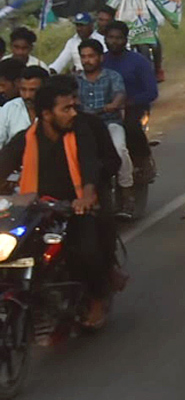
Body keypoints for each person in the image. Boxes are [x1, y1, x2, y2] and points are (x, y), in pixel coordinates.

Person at [0, 81, 111, 326]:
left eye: (73, 107)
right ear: (47, 114)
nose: (73, 112)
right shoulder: (25, 139)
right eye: (66, 109)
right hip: (36, 211)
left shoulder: (80, 132)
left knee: (87, 252)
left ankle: (97, 300)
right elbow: (3, 165)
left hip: (74, 208)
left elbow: (90, 164)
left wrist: (86, 197)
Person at [76, 40, 135, 214]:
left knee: (119, 150)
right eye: (83, 56)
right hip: (85, 127)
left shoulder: (112, 76)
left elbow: (120, 94)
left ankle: (127, 193)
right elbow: (71, 98)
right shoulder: (75, 80)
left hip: (110, 123)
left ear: (100, 58)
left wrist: (114, 104)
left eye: (91, 56)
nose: (87, 60)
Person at [102, 21, 157, 169]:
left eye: (118, 38)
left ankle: (144, 160)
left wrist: (128, 103)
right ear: (105, 38)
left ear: (126, 40)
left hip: (135, 107)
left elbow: (152, 92)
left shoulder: (139, 62)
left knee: (131, 127)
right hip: (105, 108)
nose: (114, 41)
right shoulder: (101, 60)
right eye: (111, 37)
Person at [0, 66, 48, 147]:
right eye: (23, 90)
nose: (27, 96)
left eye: (33, 90)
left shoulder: (54, 110)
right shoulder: (9, 108)